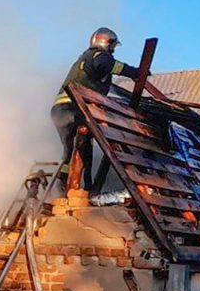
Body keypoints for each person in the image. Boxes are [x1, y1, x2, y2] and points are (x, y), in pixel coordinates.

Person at [53, 27, 142, 189]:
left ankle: (62, 185)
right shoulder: (98, 55)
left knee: (70, 149)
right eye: (112, 46)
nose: (113, 50)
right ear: (106, 42)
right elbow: (108, 65)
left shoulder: (84, 58)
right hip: (74, 108)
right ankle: (86, 186)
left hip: (60, 110)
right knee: (85, 146)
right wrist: (135, 72)